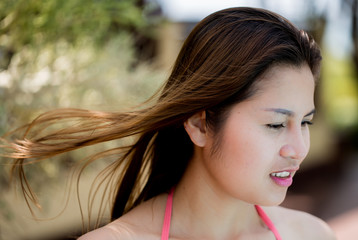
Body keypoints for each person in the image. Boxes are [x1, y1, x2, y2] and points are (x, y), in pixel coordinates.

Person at [1, 7, 336, 240]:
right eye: (276, 125)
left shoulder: (312, 235)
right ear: (200, 124)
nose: (298, 149)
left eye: (305, 122)